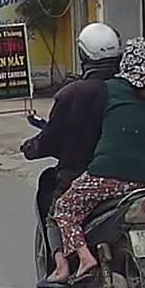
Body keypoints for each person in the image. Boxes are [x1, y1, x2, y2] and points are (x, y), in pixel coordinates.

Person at [41, 38, 145, 287]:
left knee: (64, 209)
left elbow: (89, 129)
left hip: (106, 175)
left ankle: (82, 258)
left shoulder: (109, 89)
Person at [21, 23, 123, 199]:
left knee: (59, 212)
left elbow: (52, 138)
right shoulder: (133, 91)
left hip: (80, 178)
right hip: (131, 180)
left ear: (82, 55)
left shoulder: (72, 94)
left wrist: (32, 147)